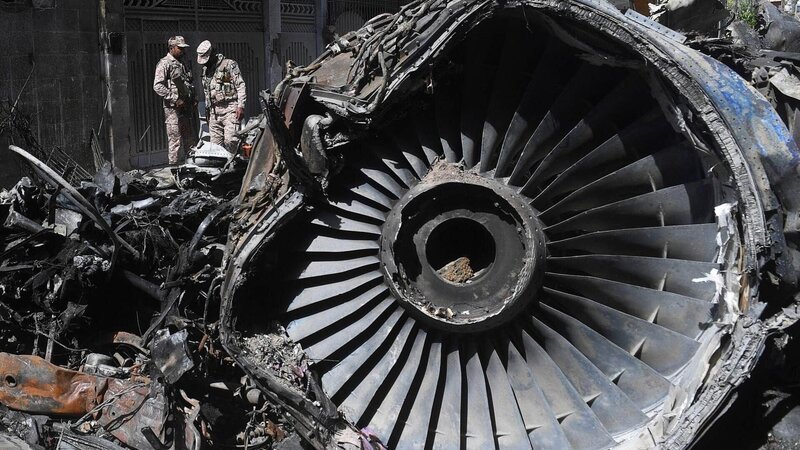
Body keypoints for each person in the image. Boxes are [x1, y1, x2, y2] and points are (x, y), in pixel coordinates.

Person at [196, 40, 246, 153]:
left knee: (231, 140)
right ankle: (222, 168)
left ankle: (236, 163)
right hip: (214, 112)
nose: (205, 63)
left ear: (213, 53)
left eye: (207, 58)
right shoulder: (205, 70)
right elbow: (206, 91)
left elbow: (240, 85)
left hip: (230, 108)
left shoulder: (229, 64)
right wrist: (208, 112)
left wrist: (241, 105)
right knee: (215, 146)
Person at [153, 35, 196, 165]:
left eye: (184, 48)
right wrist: (175, 98)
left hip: (186, 108)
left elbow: (189, 82)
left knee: (189, 139)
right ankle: (174, 170)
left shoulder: (183, 62)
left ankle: (190, 168)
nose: (183, 51)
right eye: (180, 48)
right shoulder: (164, 63)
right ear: (172, 48)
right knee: (175, 141)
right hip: (173, 109)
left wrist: (194, 98)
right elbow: (157, 86)